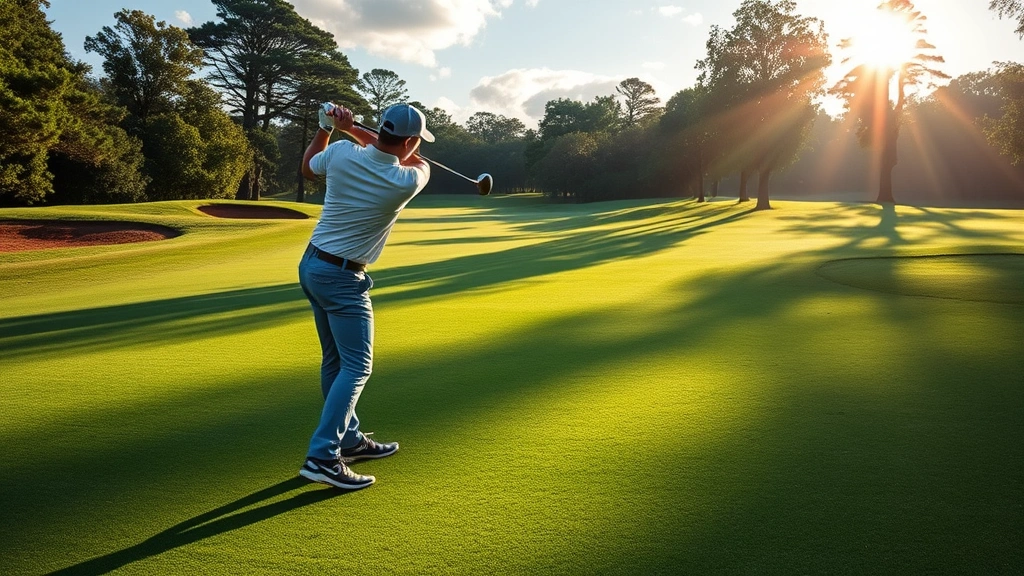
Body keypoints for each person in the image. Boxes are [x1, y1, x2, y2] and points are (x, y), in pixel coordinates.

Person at [296, 102, 433, 489]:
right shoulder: (408, 180)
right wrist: (353, 128)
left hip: (312, 265)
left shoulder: (340, 152)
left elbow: (308, 167)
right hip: (343, 278)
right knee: (357, 367)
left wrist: (329, 128)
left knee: (336, 361)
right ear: (410, 141)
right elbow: (416, 160)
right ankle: (323, 457)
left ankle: (350, 439)